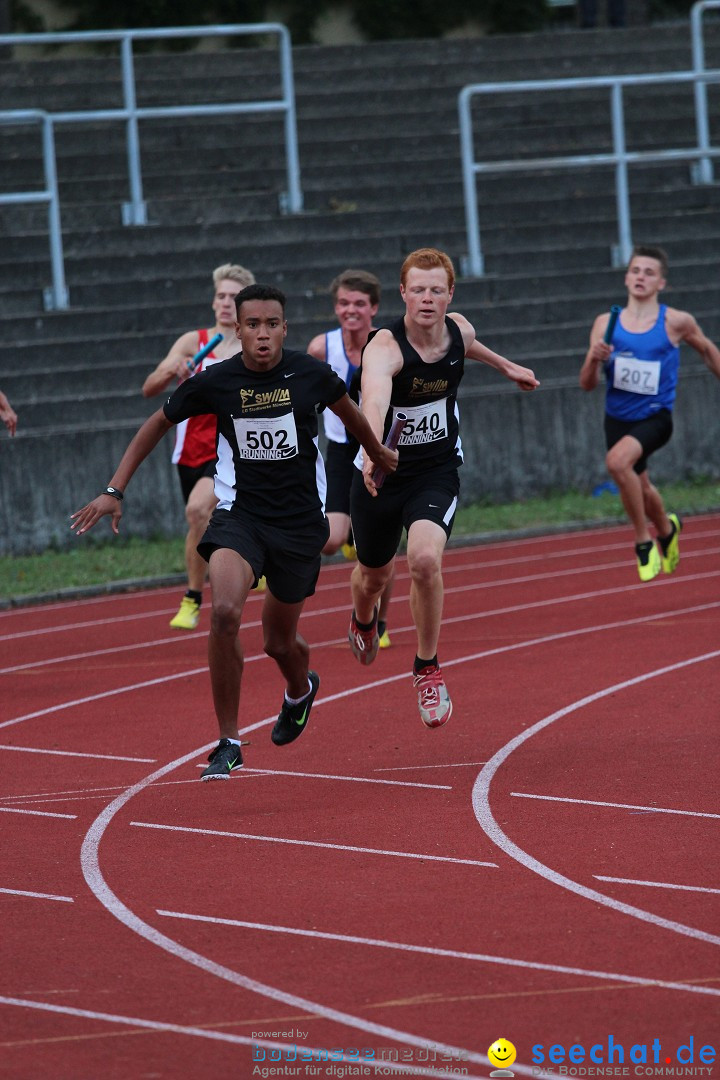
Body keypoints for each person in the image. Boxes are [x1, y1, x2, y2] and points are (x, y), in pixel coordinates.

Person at [71, 284, 398, 781]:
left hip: (297, 526)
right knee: (223, 613)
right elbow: (157, 422)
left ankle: (299, 689)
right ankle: (227, 740)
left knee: (279, 642)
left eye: (272, 325)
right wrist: (114, 489)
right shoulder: (217, 380)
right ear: (238, 330)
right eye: (252, 325)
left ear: (284, 329)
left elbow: (350, 415)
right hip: (240, 518)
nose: (262, 334)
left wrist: (376, 455)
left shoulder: (309, 374)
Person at [347, 247, 539, 729]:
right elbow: (373, 398)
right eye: (418, 290)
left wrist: (508, 367)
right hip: (381, 472)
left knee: (425, 559)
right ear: (402, 294)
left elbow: (469, 345)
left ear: (450, 294)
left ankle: (426, 667)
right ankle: (364, 618)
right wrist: (372, 449)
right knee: (372, 576)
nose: (427, 299)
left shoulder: (459, 328)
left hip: (436, 469)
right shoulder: (385, 347)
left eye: (436, 290)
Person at [580, 244, 720, 581]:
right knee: (640, 485)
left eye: (649, 273)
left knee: (617, 463)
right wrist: (594, 358)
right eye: (636, 271)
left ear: (661, 283)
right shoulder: (606, 323)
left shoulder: (675, 321)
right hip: (616, 418)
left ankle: (643, 540)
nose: (641, 277)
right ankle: (667, 529)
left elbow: (707, 350)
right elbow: (587, 384)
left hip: (655, 416)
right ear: (627, 278)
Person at [142, 262, 256, 631]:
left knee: (197, 511)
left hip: (232, 448)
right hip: (191, 449)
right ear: (213, 301)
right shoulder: (194, 341)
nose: (225, 303)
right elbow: (149, 388)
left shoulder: (253, 343)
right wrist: (172, 371)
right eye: (220, 296)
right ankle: (204, 587)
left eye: (234, 297)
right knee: (200, 524)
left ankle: (192, 598)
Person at [306, 268, 395, 649]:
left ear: (374, 307)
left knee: (382, 547)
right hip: (342, 449)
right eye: (343, 303)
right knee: (331, 540)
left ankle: (381, 621)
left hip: (379, 448)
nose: (351, 310)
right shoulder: (320, 348)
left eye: (359, 303)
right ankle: (350, 541)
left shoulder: (388, 344)